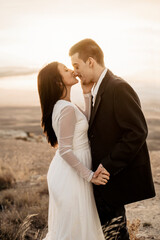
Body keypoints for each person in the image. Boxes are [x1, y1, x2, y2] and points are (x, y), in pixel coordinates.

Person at [69, 38, 156, 240]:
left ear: (90, 61)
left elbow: (137, 132)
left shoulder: (118, 87)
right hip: (101, 178)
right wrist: (86, 95)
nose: (75, 72)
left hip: (111, 176)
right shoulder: (96, 88)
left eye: (76, 65)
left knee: (115, 233)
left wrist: (107, 165)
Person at [37, 61, 110, 240]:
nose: (72, 71)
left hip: (70, 172)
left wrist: (86, 92)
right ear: (57, 81)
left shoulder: (65, 105)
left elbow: (86, 121)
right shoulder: (66, 108)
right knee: (74, 230)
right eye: (66, 70)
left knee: (78, 228)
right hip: (71, 176)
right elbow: (65, 151)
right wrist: (90, 175)